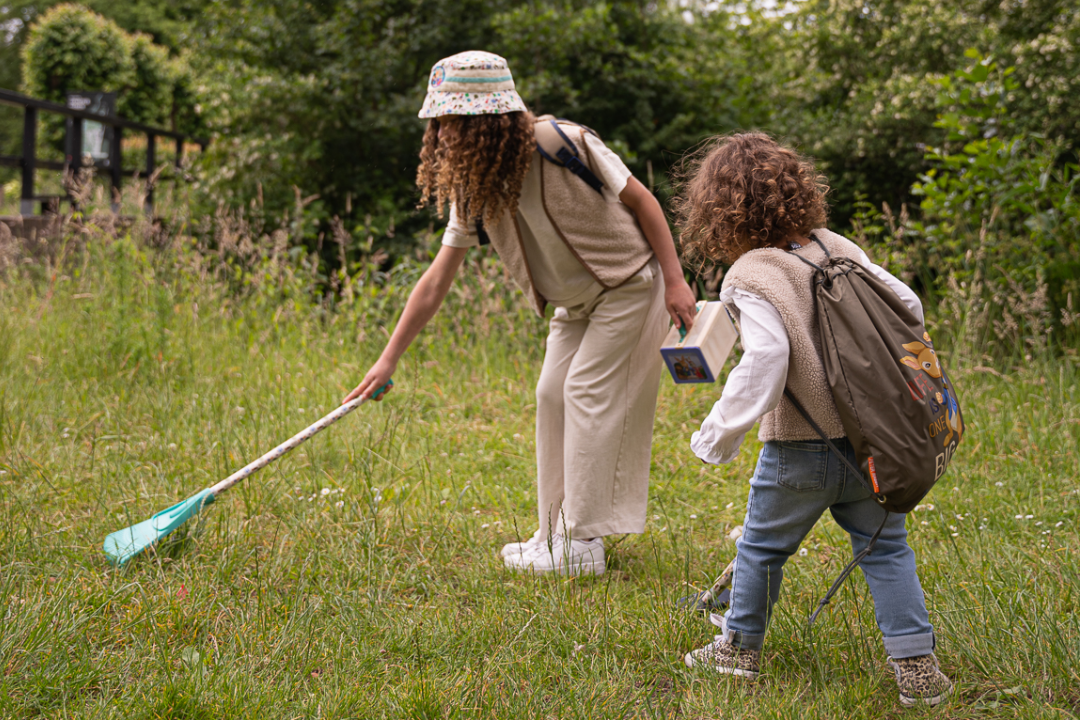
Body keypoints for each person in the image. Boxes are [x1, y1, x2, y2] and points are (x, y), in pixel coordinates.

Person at [343, 51, 698, 576]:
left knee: (585, 393)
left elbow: (643, 201)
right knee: (551, 393)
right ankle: (553, 533)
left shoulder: (562, 142)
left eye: (450, 122)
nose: (440, 135)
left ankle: (583, 544)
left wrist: (674, 279)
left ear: (488, 119)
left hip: (628, 286)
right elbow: (437, 278)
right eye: (437, 123)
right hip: (575, 305)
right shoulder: (477, 183)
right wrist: (388, 359)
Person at [673, 132, 953, 707]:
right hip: (870, 441)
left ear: (720, 209)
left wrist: (718, 432)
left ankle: (737, 651)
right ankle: (916, 667)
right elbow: (909, 307)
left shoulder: (751, 273)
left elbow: (769, 357)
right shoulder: (839, 247)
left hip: (799, 448)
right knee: (887, 549)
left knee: (760, 548)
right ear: (799, 190)